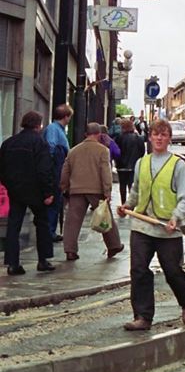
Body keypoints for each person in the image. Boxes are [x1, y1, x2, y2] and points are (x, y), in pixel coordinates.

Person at [116, 118, 185, 331]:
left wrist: (176, 217)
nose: (159, 138)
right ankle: (142, 316)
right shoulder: (142, 163)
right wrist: (127, 205)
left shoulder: (178, 165)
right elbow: (136, 190)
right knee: (139, 270)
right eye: (155, 134)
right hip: (142, 225)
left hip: (167, 229)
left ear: (169, 139)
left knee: (172, 271)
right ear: (149, 137)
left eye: (164, 135)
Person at [0, 111, 57, 274]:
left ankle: (12, 263)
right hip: (36, 191)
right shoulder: (39, 143)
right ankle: (43, 260)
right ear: (38, 125)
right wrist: (48, 192)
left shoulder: (9, 143)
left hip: (16, 190)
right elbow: (44, 170)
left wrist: (9, 185)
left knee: (14, 225)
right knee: (42, 224)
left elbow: (2, 169)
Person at [61, 122, 124, 261]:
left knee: (73, 220)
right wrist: (107, 191)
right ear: (99, 134)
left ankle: (70, 250)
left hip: (76, 189)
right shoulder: (102, 150)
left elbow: (65, 170)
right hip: (96, 190)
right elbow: (105, 171)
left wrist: (64, 186)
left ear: (85, 134)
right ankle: (114, 245)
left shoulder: (74, 150)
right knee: (105, 217)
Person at [43, 103, 73, 243]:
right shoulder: (53, 129)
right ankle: (49, 232)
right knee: (53, 202)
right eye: (69, 117)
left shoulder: (59, 129)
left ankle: (52, 230)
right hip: (55, 172)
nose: (70, 119)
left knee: (57, 203)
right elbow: (51, 148)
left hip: (59, 171)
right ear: (65, 116)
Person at [115, 119, 146, 205]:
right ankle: (131, 204)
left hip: (121, 166)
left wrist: (117, 161)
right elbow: (142, 152)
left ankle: (123, 203)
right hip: (134, 166)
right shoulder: (139, 138)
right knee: (132, 185)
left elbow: (116, 151)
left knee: (122, 185)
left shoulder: (119, 138)